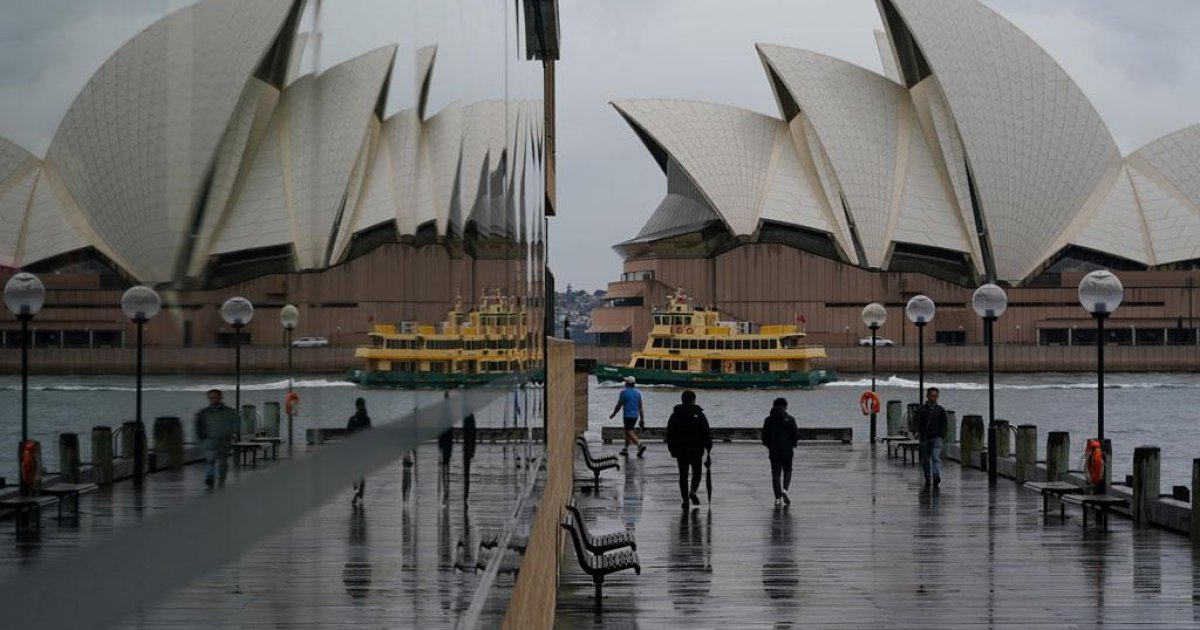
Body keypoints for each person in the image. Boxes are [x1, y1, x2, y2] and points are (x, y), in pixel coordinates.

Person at [666, 390, 712, 510]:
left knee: (683, 475)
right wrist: (708, 446)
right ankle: (693, 491)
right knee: (697, 472)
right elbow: (706, 431)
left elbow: (669, 433)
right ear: (693, 400)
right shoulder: (699, 414)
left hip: (680, 450)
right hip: (696, 449)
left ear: (682, 400)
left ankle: (685, 499)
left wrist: (672, 449)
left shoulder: (675, 414)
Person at [194, 389, 239, 488]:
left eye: (216, 398)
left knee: (223, 462)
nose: (214, 400)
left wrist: (234, 434)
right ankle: (210, 478)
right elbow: (198, 426)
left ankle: (221, 480)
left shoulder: (229, 412)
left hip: (224, 440)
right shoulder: (203, 413)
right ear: (209, 398)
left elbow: (235, 423)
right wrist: (201, 439)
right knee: (210, 460)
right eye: (212, 398)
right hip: (209, 440)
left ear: (220, 398)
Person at [761, 397, 799, 507]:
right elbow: (795, 435)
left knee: (776, 474)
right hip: (787, 451)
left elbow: (764, 437)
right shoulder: (790, 419)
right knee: (788, 470)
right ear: (785, 406)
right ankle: (785, 490)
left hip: (774, 452)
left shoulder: (768, 420)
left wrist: (769, 446)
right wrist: (792, 445)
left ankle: (778, 498)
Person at [915, 387, 948, 487]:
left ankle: (936, 475)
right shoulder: (921, 409)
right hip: (925, 438)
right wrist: (917, 432)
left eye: (935, 396)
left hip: (936, 438)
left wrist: (942, 435)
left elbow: (945, 424)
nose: (933, 398)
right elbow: (916, 421)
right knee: (925, 460)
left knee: (936, 457)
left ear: (937, 397)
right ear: (927, 396)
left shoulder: (941, 410)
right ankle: (928, 477)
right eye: (931, 396)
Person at [609, 375, 646, 457]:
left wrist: (613, 414)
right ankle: (625, 449)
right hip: (635, 416)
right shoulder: (638, 394)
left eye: (626, 381)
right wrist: (642, 418)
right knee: (628, 432)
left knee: (629, 431)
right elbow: (640, 407)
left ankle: (640, 445)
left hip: (627, 415)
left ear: (628, 383)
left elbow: (619, 405)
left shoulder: (623, 393)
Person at [347, 397, 372, 505]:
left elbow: (348, 435)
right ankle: (360, 496)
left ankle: (356, 491)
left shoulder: (352, 419)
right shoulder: (367, 419)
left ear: (356, 406)